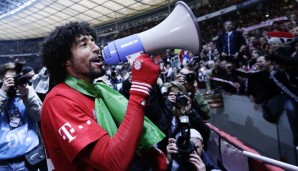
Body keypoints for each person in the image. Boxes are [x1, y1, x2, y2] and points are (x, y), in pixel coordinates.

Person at [40, 21, 166, 171]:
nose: (97, 48)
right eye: (84, 45)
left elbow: (123, 132)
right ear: (65, 61)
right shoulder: (58, 101)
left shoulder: (99, 91)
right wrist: (140, 90)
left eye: (93, 41)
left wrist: (147, 151)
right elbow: (112, 162)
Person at [0, 62, 43, 171]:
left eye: (16, 77)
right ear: (1, 79)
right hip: (3, 160)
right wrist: (3, 93)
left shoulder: (27, 91)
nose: (13, 81)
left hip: (30, 156)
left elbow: (39, 116)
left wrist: (26, 96)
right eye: (9, 78)